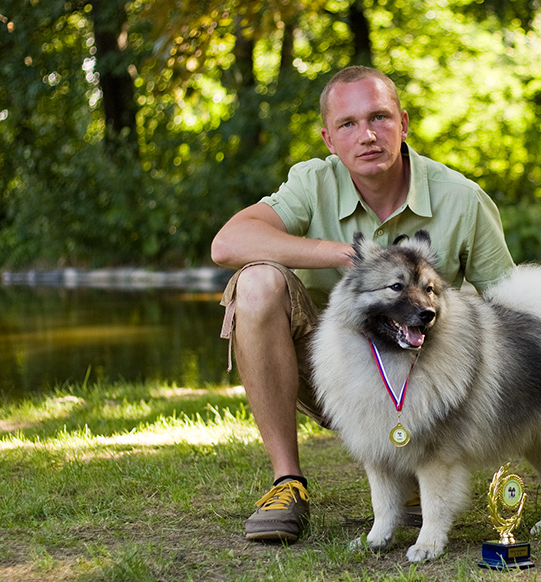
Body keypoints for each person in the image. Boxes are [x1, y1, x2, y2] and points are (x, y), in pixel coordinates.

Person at [210, 65, 516, 542]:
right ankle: (286, 484)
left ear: (405, 123)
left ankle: (417, 473)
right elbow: (227, 243)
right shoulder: (311, 183)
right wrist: (338, 254)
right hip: (338, 374)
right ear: (329, 139)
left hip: (435, 381)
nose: (367, 135)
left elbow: (511, 310)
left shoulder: (463, 199)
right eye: (348, 124)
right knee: (256, 283)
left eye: (380, 118)